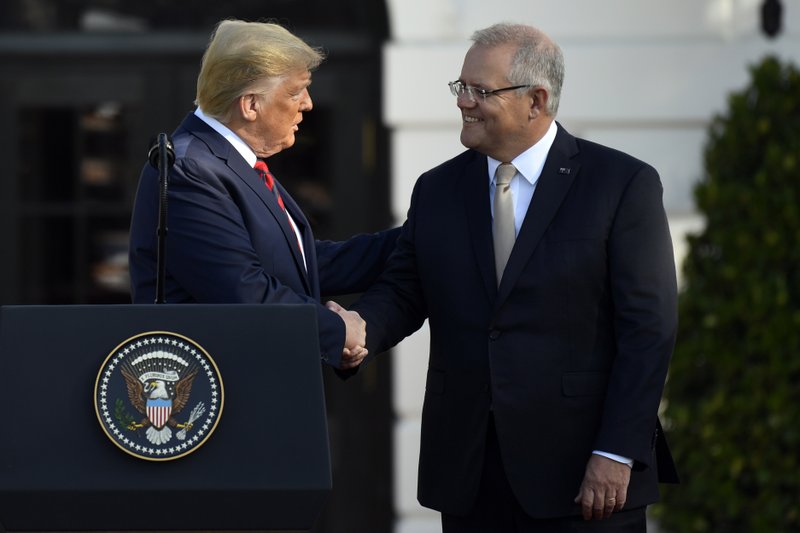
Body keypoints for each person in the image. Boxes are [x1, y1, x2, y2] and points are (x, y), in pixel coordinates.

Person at [346, 22, 679, 532]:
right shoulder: (437, 190)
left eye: (480, 91)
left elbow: (648, 329)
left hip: (584, 478)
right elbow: (405, 290)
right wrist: (357, 329)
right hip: (470, 475)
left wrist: (617, 451)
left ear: (536, 100)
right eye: (462, 88)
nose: (464, 103)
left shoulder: (620, 185)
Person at [129, 19, 398, 370]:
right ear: (250, 105)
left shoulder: (225, 163)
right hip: (224, 399)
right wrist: (336, 330)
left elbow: (299, 264)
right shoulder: (192, 168)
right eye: (295, 91)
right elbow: (243, 291)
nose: (308, 103)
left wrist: (416, 239)